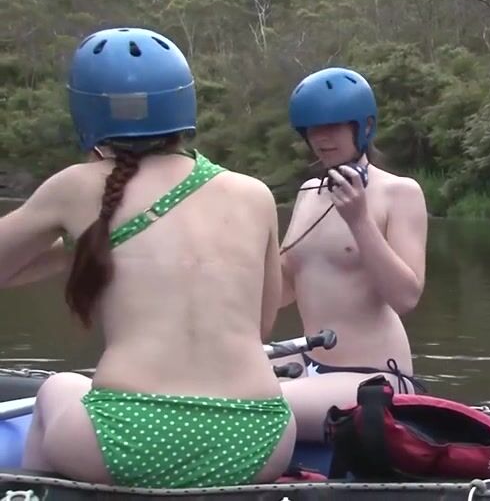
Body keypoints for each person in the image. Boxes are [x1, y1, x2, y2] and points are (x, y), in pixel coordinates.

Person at [0, 27, 296, 488]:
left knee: (59, 387)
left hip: (127, 437)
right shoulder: (255, 194)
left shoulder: (76, 185)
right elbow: (261, 326)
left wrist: (84, 244)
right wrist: (92, 245)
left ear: (86, 112)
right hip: (260, 438)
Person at [272, 67, 429, 442]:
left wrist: (359, 220)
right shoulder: (309, 192)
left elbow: (406, 297)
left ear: (364, 127)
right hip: (309, 362)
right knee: (212, 381)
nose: (321, 138)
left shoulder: (400, 192)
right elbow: (285, 289)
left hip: (373, 377)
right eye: (312, 129)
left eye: (333, 127)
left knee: (255, 405)